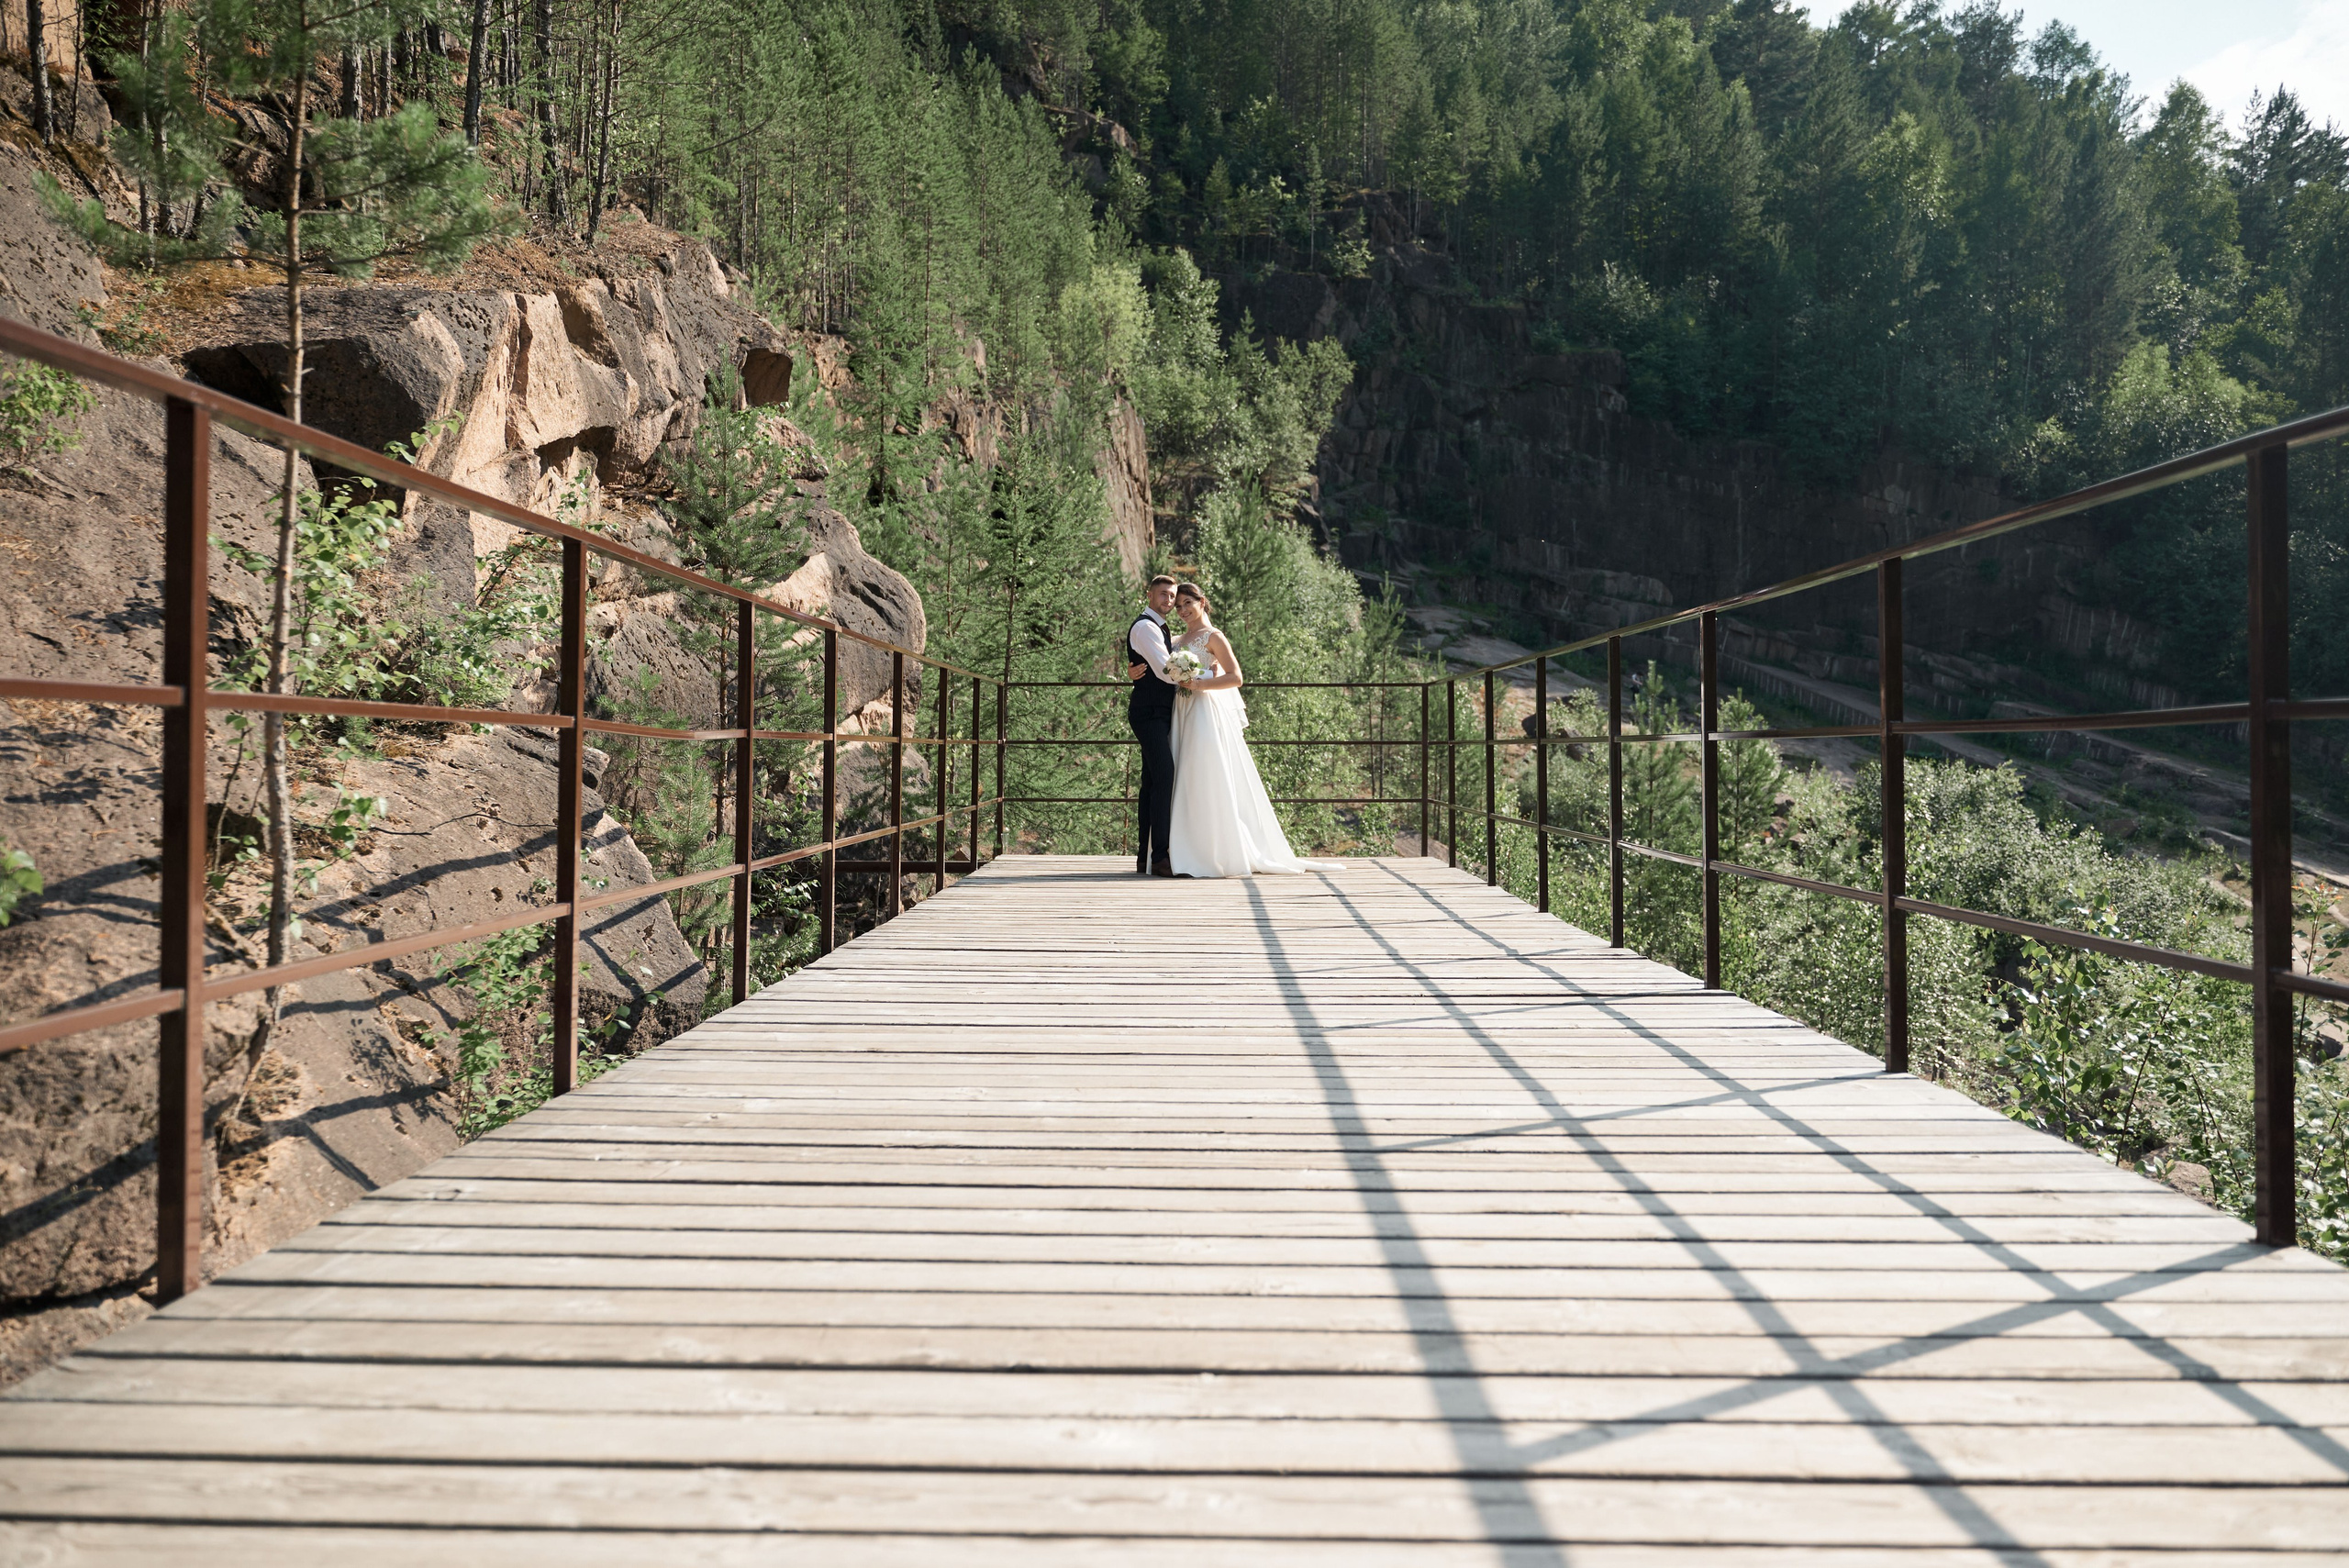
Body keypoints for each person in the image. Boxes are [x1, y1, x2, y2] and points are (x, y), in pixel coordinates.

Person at [1162, 584, 1343, 878]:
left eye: (1187, 603)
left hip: (1203, 712)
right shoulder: (1177, 638)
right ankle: (1184, 849)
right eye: (1178, 605)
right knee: (1182, 774)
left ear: (1202, 602)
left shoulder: (1213, 636)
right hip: (1179, 712)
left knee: (1204, 775)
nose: (1182, 610)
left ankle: (1213, 852)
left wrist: (1198, 684)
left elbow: (1236, 677)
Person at [1126, 574, 1182, 877]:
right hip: (1149, 713)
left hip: (1157, 712)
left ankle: (1144, 857)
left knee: (1151, 783)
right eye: (1163, 594)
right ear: (1149, 595)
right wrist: (1202, 679)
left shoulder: (1158, 626)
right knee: (1164, 777)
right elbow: (1166, 672)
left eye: (1172, 596)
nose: (1169, 600)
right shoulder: (1146, 627)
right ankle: (1160, 857)